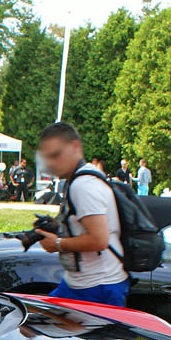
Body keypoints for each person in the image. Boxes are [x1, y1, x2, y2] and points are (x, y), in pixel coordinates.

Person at [33, 122, 129, 308]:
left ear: (75, 147)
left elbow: (99, 239)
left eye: (57, 155)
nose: (52, 163)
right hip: (82, 283)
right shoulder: (82, 178)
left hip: (98, 287)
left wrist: (58, 244)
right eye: (48, 157)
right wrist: (55, 225)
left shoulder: (83, 185)